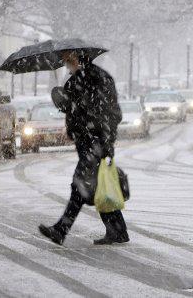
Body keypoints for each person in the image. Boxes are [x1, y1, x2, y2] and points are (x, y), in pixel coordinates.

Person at [39, 51, 129, 245]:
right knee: (97, 186)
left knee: (79, 186)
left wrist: (105, 141)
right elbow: (72, 107)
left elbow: (111, 113)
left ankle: (61, 229)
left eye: (67, 59)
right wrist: (61, 98)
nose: (65, 63)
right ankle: (119, 230)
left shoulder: (98, 79)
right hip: (87, 142)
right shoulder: (76, 80)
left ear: (78, 57)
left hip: (95, 143)